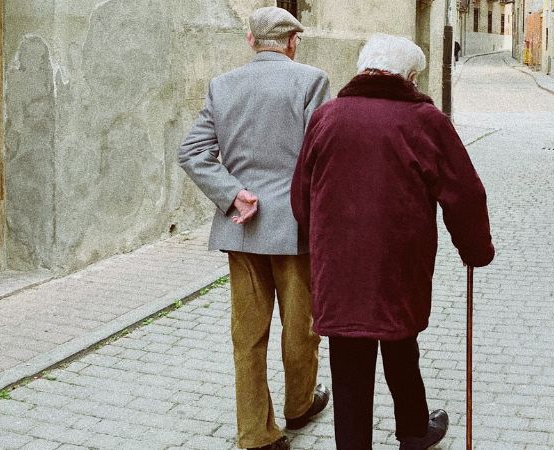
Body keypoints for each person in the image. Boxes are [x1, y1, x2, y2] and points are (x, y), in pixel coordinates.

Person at [290, 34, 495, 450]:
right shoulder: (425, 120)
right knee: (401, 344)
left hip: (340, 267)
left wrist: (320, 241)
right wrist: (475, 248)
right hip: (399, 263)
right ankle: (415, 431)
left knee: (348, 360)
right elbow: (465, 193)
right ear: (411, 76)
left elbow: (301, 194)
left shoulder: (327, 116)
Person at [178, 7, 332, 450]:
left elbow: (192, 153)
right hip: (295, 229)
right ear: (292, 42)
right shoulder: (312, 80)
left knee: (247, 333)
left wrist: (231, 193)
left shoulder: (222, 85)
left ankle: (256, 434)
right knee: (300, 326)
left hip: (242, 227)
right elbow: (319, 157)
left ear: (250, 41)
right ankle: (300, 404)